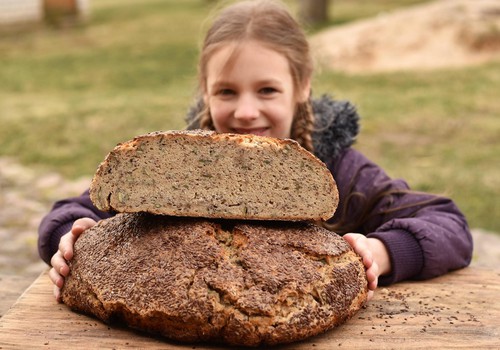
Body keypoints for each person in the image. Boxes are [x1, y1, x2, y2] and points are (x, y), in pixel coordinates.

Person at [38, 0, 472, 302]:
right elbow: (64, 216)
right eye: (226, 91)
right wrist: (72, 238)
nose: (246, 112)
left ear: (301, 87)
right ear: (205, 93)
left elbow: (447, 224)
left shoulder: (340, 171)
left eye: (267, 90)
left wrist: (380, 252)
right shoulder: (175, 171)